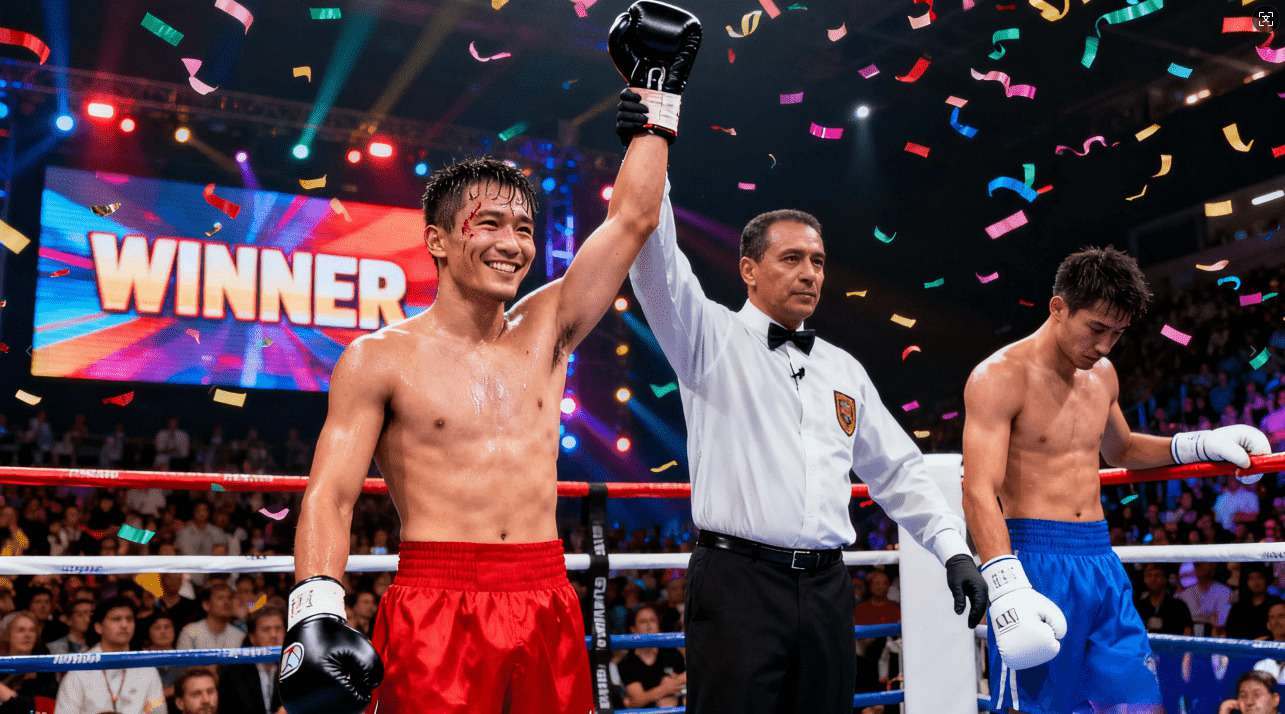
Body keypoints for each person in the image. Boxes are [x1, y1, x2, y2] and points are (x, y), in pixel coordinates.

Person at [279, 5, 700, 712]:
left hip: (545, 591)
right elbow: (331, 494)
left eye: (525, 228)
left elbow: (631, 219)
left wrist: (658, 103)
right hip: (436, 598)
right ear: (438, 241)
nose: (512, 243)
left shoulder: (548, 328)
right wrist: (315, 609)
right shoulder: (379, 359)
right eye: (491, 224)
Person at [622, 92, 987, 714]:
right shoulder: (708, 337)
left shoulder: (844, 369)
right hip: (737, 584)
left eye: (817, 261)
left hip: (826, 587)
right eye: (791, 259)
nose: (810, 273)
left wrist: (953, 550)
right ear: (748, 270)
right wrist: (650, 139)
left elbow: (899, 471)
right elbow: (656, 261)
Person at [963, 246, 1273, 712]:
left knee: (1137, 702)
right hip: (1033, 558)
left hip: (1100, 558)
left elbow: (1121, 449)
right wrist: (1005, 583)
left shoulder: (1102, 375)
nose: (1105, 346)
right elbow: (978, 489)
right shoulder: (999, 376)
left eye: (1117, 333)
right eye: (1096, 329)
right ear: (1059, 307)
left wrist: (1199, 444)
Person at [55, 598, 165, 714]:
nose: (124, 625)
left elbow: (159, 712)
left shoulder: (147, 669)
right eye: (116, 619)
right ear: (99, 627)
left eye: (129, 619)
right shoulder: (80, 669)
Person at [217, 607, 284, 714]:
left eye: (278, 628)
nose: (274, 635)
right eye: (266, 629)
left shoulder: (295, 668)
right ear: (252, 637)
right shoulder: (232, 672)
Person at [618, 604, 686, 709]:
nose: (649, 625)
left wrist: (675, 683)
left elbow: (689, 676)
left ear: (658, 625)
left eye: (653, 620)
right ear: (633, 629)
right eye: (643, 622)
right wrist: (665, 688)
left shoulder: (671, 653)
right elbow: (637, 701)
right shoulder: (627, 663)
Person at [0, 611, 58, 713]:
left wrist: (5, 693)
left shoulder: (44, 668)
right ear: (8, 635)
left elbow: (45, 706)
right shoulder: (2, 665)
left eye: (32, 630)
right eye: (21, 630)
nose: (27, 635)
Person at [176, 584, 246, 650]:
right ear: (206, 605)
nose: (226, 602)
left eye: (229, 598)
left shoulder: (239, 636)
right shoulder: (190, 633)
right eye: (220, 598)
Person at [1134, 563, 1193, 636]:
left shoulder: (1179, 606)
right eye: (1149, 575)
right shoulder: (1139, 606)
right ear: (1144, 579)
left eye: (1157, 575)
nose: (1153, 579)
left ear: (1165, 579)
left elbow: (1188, 632)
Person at [1179, 562, 1235, 637]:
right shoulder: (1185, 594)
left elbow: (1221, 623)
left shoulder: (1225, 592)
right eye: (1196, 565)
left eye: (1202, 563)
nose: (1198, 566)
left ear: (1213, 566)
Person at [1227, 566, 1279, 640]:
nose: (1256, 582)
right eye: (1251, 578)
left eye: (1259, 577)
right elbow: (1230, 631)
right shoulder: (1238, 607)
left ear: (1266, 580)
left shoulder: (1276, 604)